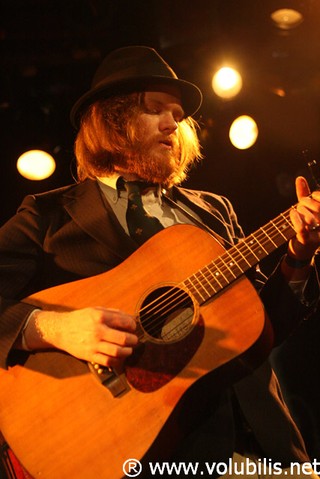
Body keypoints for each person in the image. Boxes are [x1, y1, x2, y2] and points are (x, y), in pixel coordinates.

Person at [0, 45, 320, 479]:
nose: (174, 124)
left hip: (260, 446)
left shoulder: (214, 211)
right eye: (156, 110)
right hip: (135, 451)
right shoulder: (48, 216)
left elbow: (262, 326)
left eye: (178, 114)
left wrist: (299, 257)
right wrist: (54, 328)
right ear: (110, 119)